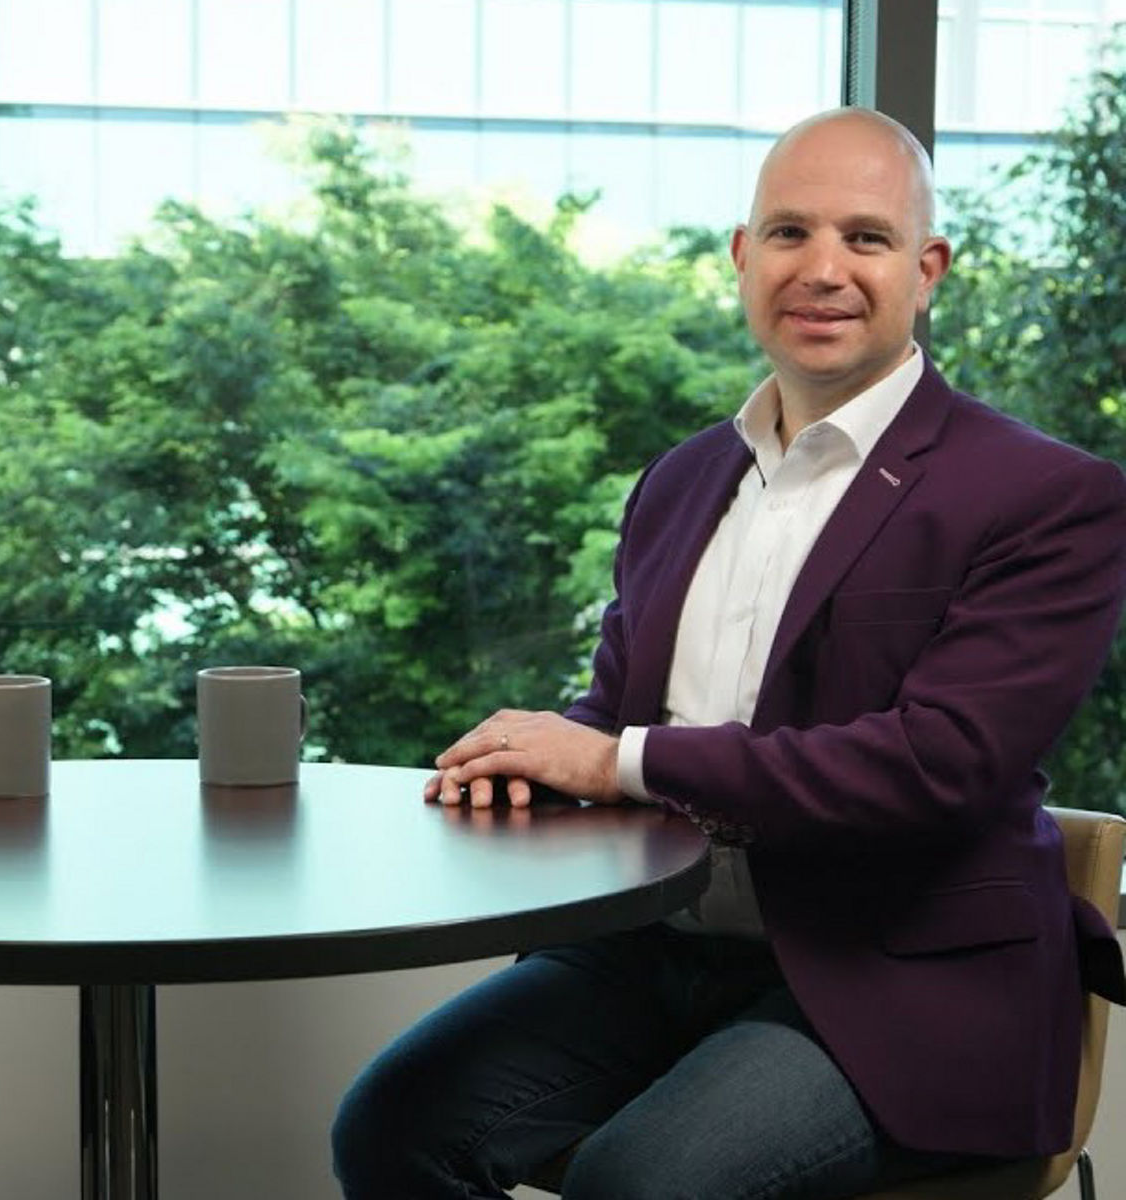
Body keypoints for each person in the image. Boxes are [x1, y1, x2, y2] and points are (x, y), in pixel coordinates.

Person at [332, 106, 1126, 1199]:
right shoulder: (678, 481)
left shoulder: (1044, 496)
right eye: (789, 233)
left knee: (638, 1184)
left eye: (866, 237)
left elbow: (935, 764)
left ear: (926, 268)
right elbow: (613, 709)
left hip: (891, 981)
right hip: (652, 946)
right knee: (390, 1127)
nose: (823, 269)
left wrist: (609, 760)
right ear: (741, 258)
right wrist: (532, 759)